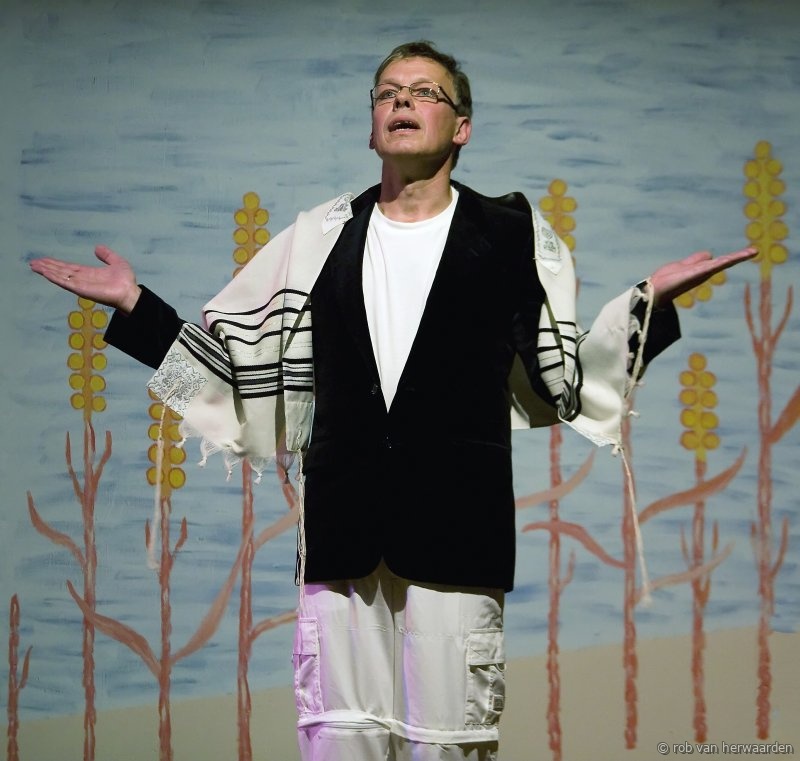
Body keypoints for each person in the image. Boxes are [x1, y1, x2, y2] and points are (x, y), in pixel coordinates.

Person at [31, 41, 755, 761]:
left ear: (462, 127)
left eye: (424, 91)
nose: (402, 100)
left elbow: (563, 379)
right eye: (387, 92)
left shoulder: (509, 233)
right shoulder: (318, 238)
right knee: (337, 742)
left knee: (449, 744)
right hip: (343, 541)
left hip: (457, 539)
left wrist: (649, 305)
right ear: (372, 126)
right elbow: (234, 378)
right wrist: (137, 309)